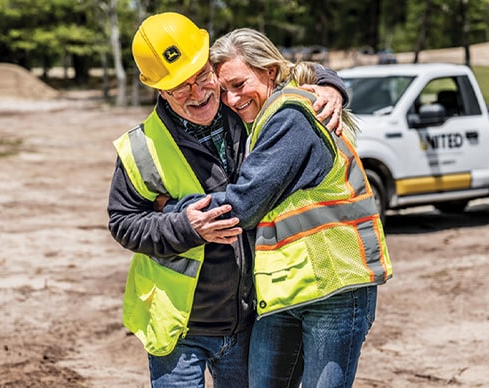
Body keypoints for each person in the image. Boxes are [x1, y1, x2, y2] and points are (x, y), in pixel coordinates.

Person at [107, 12, 349, 387]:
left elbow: (281, 72)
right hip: (179, 326)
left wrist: (330, 85)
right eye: (179, 88)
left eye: (202, 77)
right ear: (158, 90)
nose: (199, 93)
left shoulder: (243, 110)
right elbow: (123, 222)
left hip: (246, 319)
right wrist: (184, 224)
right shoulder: (141, 148)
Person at [164, 28, 393, 387]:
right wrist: (329, 80)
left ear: (269, 71)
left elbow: (244, 204)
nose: (232, 99)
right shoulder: (263, 120)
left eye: (239, 84)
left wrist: (176, 211)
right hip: (287, 293)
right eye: (224, 90)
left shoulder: (292, 117)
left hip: (334, 287)